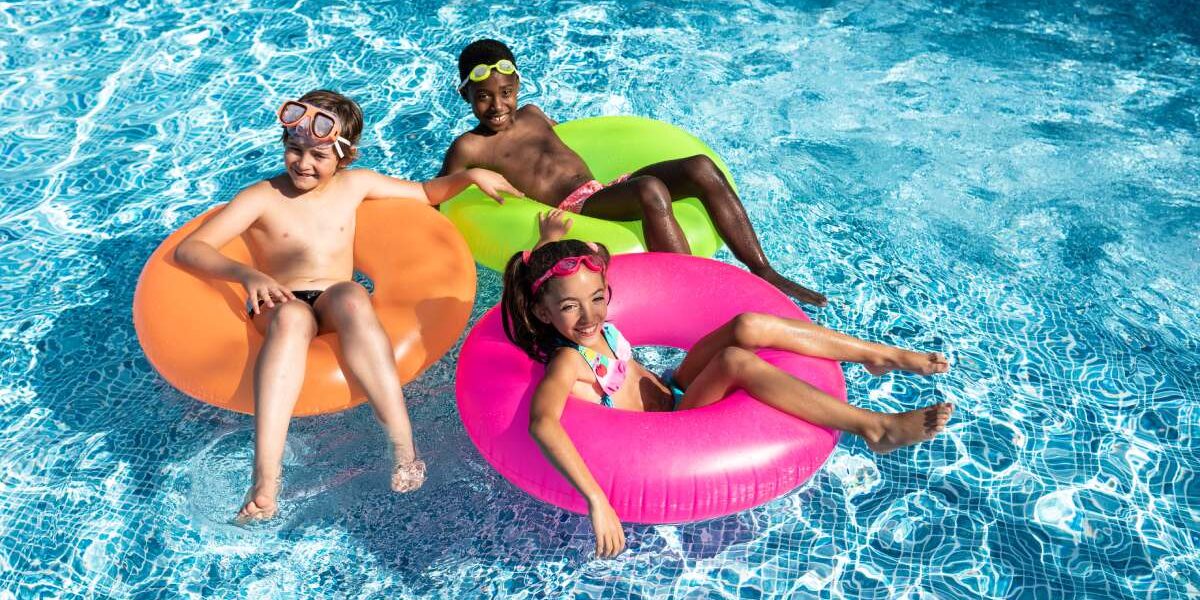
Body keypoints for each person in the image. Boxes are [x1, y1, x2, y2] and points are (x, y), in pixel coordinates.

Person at [501, 210, 953, 557]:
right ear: (544, 313)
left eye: (597, 298)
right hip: (674, 426)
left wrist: (549, 242)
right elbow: (543, 423)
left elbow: (555, 282)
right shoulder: (567, 360)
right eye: (570, 308)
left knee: (747, 324)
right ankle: (874, 428)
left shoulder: (587, 316)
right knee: (735, 360)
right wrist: (597, 499)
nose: (590, 316)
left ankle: (880, 355)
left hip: (672, 387)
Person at [174, 89, 521, 522]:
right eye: (294, 150)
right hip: (280, 299)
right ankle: (265, 478)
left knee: (353, 295)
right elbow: (192, 249)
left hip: (335, 296)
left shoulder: (356, 185)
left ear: (345, 155)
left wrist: (470, 177)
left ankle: (402, 445)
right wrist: (248, 275)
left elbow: (427, 192)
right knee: (292, 318)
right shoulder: (261, 196)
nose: (303, 163)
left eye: (318, 156)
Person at [441, 39, 828, 306]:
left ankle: (762, 269)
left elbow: (577, 143)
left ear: (518, 86)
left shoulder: (534, 114)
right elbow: (438, 195)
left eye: (505, 91)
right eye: (483, 97)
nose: (497, 105)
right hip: (578, 207)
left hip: (602, 186)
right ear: (466, 97)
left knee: (700, 167)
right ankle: (694, 292)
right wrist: (471, 177)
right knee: (650, 190)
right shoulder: (471, 147)